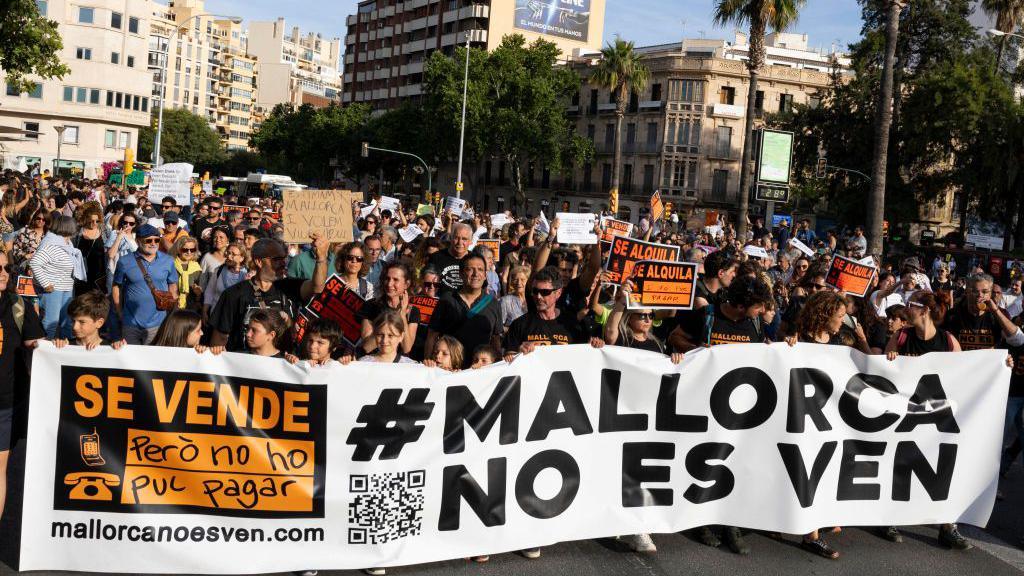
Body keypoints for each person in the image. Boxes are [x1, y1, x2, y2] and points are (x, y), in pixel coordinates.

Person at [884, 290, 970, 550]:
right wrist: (892, 360)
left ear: (925, 310)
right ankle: (888, 517)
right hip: (905, 415)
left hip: (936, 418)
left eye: (910, 304)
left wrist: (1001, 366)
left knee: (944, 467)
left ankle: (947, 526)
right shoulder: (901, 336)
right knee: (897, 464)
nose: (905, 308)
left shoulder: (948, 340)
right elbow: (882, 371)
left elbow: (966, 374)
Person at [209, 236, 328, 352]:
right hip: (245, 366)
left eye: (284, 258)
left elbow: (317, 288)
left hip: (284, 365)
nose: (283, 263)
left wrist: (321, 258)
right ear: (259, 262)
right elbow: (219, 339)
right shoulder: (234, 294)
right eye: (277, 260)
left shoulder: (290, 287)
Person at [0, 250, 45, 519]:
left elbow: (35, 342)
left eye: (6, 267)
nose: (4, 273)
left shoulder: (16, 304)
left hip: (4, 402)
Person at [503, 267, 598, 362]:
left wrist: (597, 345)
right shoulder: (519, 324)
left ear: (558, 293)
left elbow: (585, 356)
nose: (538, 296)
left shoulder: (572, 324)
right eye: (535, 291)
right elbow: (508, 360)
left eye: (545, 292)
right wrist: (519, 352)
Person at [427, 253, 503, 369]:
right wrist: (428, 366)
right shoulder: (447, 299)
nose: (475, 274)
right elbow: (432, 336)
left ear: (485, 275)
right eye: (470, 269)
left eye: (480, 270)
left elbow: (496, 341)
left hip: (479, 371)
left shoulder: (493, 303)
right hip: (449, 371)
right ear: (461, 274)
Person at [112, 224, 178, 345]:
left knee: (153, 361)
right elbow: (116, 286)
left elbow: (173, 286)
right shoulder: (124, 261)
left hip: (159, 322)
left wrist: (172, 313)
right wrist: (119, 311)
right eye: (148, 240)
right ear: (138, 241)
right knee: (130, 360)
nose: (153, 243)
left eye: (156, 240)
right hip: (130, 322)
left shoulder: (168, 261)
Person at [30, 215, 85, 338]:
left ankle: (66, 348)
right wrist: (46, 283)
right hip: (53, 290)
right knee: (51, 323)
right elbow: (34, 262)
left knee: (67, 321)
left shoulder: (67, 244)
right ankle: (45, 350)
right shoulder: (52, 244)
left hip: (66, 289)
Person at [943, 274, 1024, 351]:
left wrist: (996, 311)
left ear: (990, 294)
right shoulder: (953, 315)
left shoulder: (1000, 313)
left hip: (989, 363)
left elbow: (1018, 340)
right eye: (975, 291)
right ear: (967, 292)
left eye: (985, 292)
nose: (980, 295)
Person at [359, 261, 419, 355]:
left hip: (397, 366)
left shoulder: (413, 311)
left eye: (395, 280)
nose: (389, 284)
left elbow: (407, 348)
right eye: (387, 278)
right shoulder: (371, 306)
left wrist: (402, 315)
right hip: (373, 362)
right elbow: (367, 347)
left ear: (406, 284)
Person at [53, 291, 124, 350]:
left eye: (82, 322)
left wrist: (122, 349)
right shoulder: (66, 346)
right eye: (73, 321)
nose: (75, 327)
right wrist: (55, 346)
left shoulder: (110, 348)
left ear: (99, 323)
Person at [203, 242, 248, 325]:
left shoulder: (247, 274)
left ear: (241, 258)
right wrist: (205, 311)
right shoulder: (218, 271)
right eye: (228, 253)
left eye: (233, 254)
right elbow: (210, 291)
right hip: (216, 317)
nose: (229, 256)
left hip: (236, 320)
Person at [427, 222, 472, 293]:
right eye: (456, 238)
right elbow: (427, 283)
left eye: (464, 239)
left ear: (470, 241)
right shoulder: (436, 257)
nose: (460, 242)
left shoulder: (476, 260)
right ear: (450, 238)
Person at [73, 201, 106, 294]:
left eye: (97, 221)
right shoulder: (78, 232)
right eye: (91, 221)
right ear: (86, 219)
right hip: (82, 272)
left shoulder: (103, 231)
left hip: (99, 272)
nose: (94, 223)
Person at [170, 236, 202, 311]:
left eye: (192, 249)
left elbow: (199, 297)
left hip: (191, 309)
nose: (189, 252)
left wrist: (198, 293)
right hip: (172, 307)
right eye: (185, 249)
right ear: (178, 249)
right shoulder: (170, 265)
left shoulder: (196, 268)